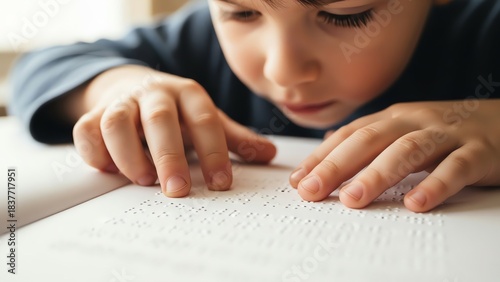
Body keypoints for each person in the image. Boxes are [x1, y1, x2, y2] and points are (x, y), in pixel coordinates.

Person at [9, 0, 500, 212]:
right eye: (241, 12)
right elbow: (41, 66)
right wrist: (115, 87)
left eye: (344, 15)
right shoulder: (197, 40)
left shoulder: (485, 33)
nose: (282, 70)